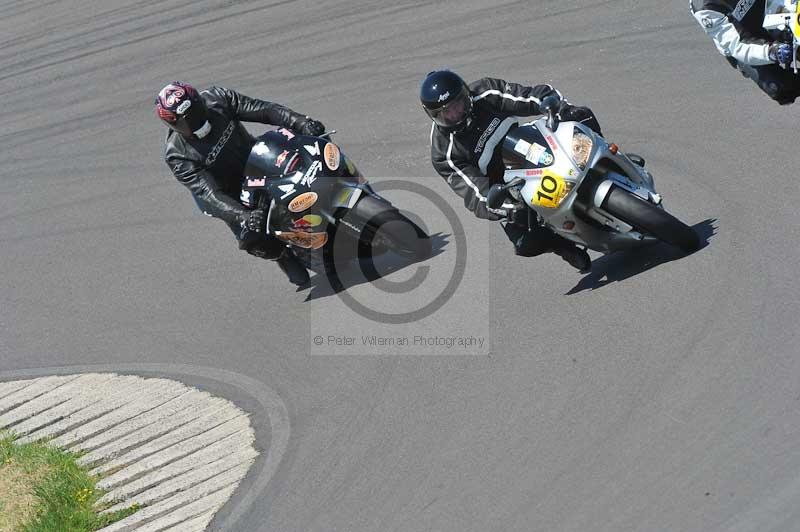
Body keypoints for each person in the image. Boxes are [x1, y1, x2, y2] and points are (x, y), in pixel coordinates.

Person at [421, 70, 602, 272]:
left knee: (581, 116)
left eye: (457, 104)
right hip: (508, 184)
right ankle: (561, 246)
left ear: (465, 95)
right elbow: (474, 193)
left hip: (532, 143)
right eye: (447, 112)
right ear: (435, 116)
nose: (455, 114)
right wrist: (505, 206)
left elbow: (529, 96)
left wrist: (560, 108)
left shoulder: (486, 92)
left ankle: (611, 159)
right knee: (525, 242)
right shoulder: (444, 153)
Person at [156, 81, 327, 285]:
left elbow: (265, 110)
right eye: (185, 121)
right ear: (173, 125)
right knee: (253, 238)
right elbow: (210, 194)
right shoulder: (178, 155)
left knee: (313, 158)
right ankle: (282, 255)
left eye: (195, 112)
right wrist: (243, 215)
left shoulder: (218, 98)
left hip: (257, 159)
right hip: (230, 193)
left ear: (200, 101)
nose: (193, 122)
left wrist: (300, 122)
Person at [690, 0, 800, 104]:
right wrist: (771, 52)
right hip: (743, 42)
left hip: (769, 10)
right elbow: (736, 45)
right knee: (779, 88)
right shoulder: (703, 8)